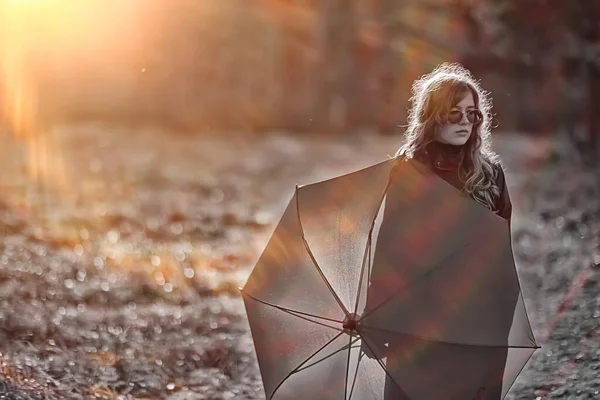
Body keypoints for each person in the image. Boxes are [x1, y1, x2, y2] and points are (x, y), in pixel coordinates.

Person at [363, 63, 513, 400]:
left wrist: (499, 318)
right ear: (433, 115)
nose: (465, 123)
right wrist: (377, 323)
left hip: (477, 318)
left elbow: (502, 259)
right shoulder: (410, 171)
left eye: (472, 114)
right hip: (420, 320)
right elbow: (391, 252)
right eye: (454, 113)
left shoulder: (491, 174)